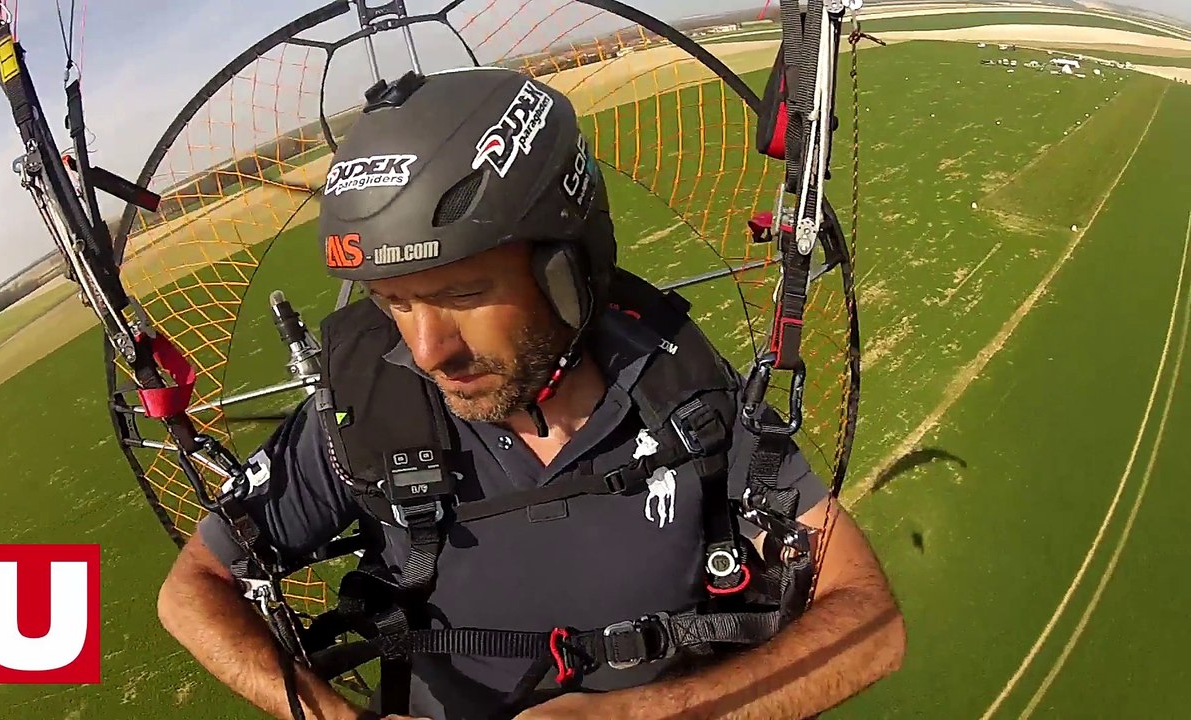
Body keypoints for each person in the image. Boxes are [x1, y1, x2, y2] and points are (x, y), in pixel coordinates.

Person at [157, 67, 905, 720]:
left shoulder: (683, 395)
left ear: (565, 268)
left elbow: (869, 618)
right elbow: (192, 588)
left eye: (462, 293)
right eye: (395, 303)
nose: (429, 352)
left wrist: (651, 715)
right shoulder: (367, 412)